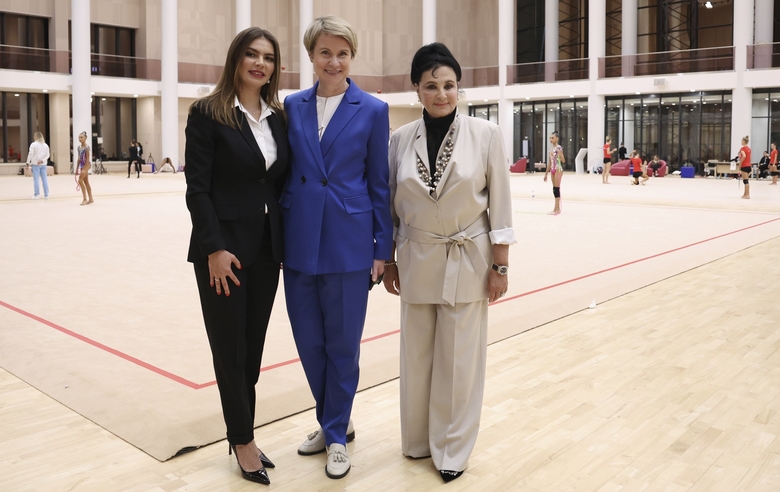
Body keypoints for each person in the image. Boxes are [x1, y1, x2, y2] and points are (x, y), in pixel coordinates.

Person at [383, 42, 516, 484]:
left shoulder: (486, 135)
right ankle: (418, 441)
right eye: (432, 86)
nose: (442, 94)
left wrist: (500, 265)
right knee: (417, 355)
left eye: (450, 85)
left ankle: (452, 448)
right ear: (416, 90)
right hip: (417, 256)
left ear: (459, 87)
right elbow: (392, 206)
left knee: (460, 360)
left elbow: (501, 204)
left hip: (469, 257)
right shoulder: (399, 140)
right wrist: (390, 260)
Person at [281, 16, 392, 480]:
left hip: (349, 241)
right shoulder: (291, 106)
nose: (334, 61)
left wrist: (382, 248)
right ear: (311, 56)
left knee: (342, 345)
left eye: (342, 53)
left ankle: (336, 435)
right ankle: (334, 421)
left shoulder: (372, 109)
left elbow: (379, 183)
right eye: (325, 52)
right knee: (309, 343)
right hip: (299, 237)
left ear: (352, 57)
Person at [184, 26, 289, 486]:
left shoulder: (278, 117)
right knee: (229, 349)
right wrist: (213, 249)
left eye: (267, 57)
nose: (259, 63)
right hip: (222, 253)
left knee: (252, 350)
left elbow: (276, 183)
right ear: (236, 59)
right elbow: (197, 189)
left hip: (267, 249)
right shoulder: (208, 113)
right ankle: (243, 440)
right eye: (251, 54)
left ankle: (239, 432)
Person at [544, 130, 565, 215]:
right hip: (552, 169)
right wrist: (546, 174)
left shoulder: (559, 148)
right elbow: (549, 162)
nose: (551, 139)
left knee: (557, 189)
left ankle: (557, 208)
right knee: (554, 189)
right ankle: (555, 208)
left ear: (557, 139)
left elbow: (563, 160)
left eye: (552, 138)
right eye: (550, 138)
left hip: (558, 169)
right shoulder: (551, 149)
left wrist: (560, 154)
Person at [27, 132, 51, 200]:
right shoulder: (45, 145)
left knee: (36, 180)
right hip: (43, 164)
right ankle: (46, 194)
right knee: (45, 179)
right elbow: (48, 155)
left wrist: (27, 162)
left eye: (34, 136)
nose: (33, 137)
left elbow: (30, 154)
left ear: (36, 136)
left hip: (35, 164)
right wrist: (42, 160)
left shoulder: (33, 145)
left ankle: (36, 194)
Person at [76, 132, 94, 205]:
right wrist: (77, 169)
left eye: (81, 137)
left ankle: (85, 199)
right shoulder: (79, 148)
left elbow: (87, 159)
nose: (80, 139)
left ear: (85, 138)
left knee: (80, 180)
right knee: (86, 182)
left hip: (86, 165)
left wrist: (85, 170)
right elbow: (79, 159)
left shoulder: (87, 147)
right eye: (79, 137)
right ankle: (91, 198)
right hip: (82, 165)